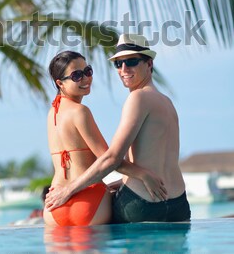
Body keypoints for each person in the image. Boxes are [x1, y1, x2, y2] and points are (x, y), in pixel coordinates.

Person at [45, 35, 191, 223]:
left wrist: (69, 190)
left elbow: (112, 158)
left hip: (142, 203)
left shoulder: (137, 98)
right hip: (178, 203)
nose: (123, 69)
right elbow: (153, 160)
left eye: (131, 62)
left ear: (149, 63)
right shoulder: (167, 103)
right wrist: (120, 183)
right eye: (118, 64)